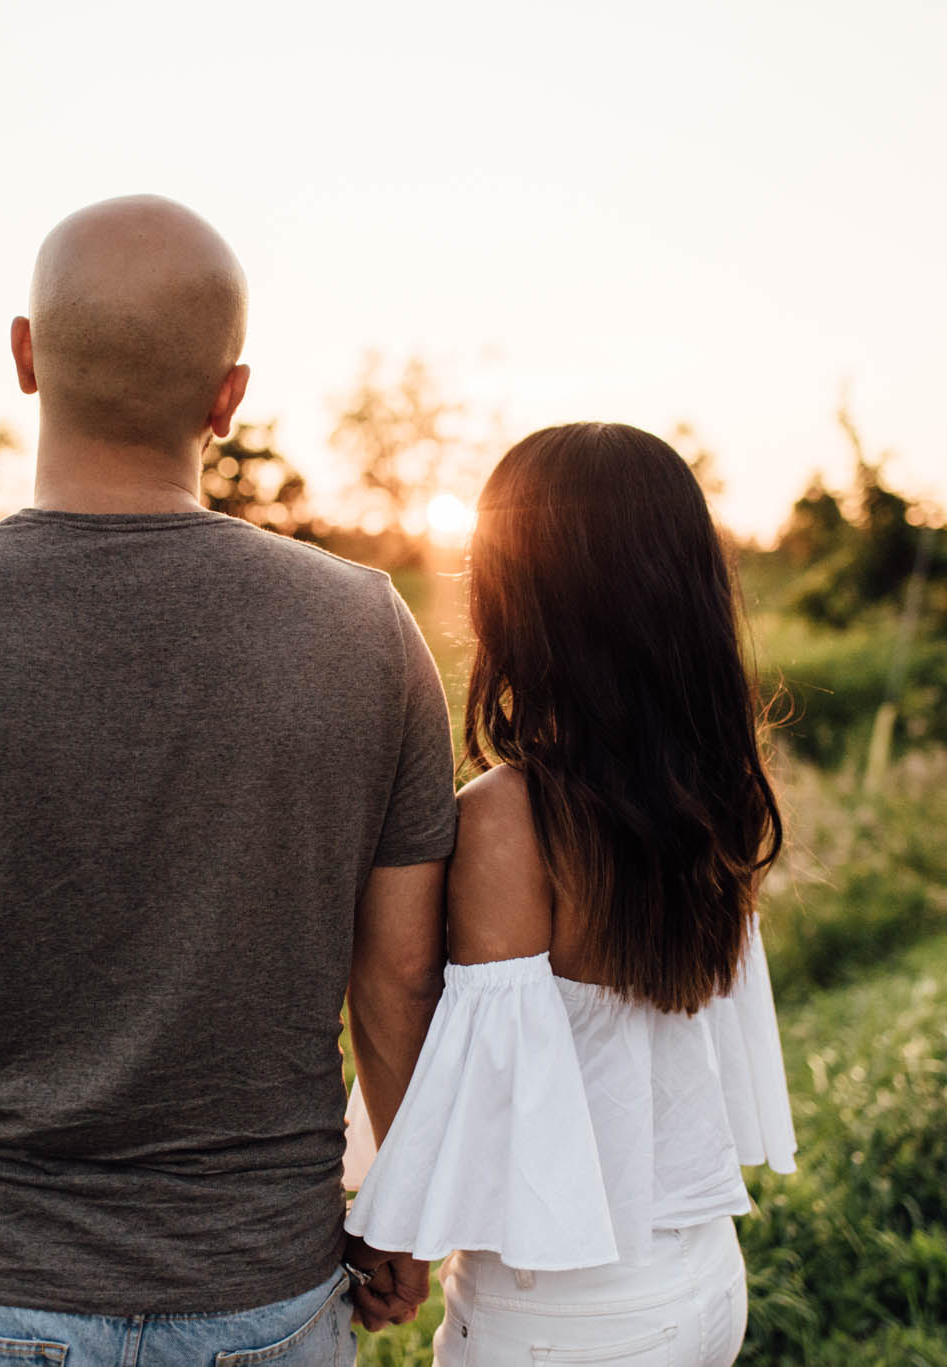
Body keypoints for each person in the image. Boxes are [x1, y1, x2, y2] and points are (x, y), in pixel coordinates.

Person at [0, 195, 454, 1367]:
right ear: (228, 397)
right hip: (264, 1290)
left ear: (24, 355)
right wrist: (408, 1208)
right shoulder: (366, 633)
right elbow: (399, 978)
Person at [342, 422, 796, 1366]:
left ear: (522, 601)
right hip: (703, 1280)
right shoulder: (713, 788)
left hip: (566, 1319)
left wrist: (398, 1229)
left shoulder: (510, 819)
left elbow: (474, 1079)